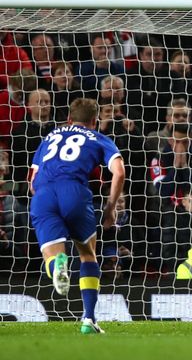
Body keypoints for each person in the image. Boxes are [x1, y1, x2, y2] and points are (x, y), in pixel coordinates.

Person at [28, 98, 126, 334]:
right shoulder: (99, 138)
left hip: (44, 194)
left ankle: (57, 265)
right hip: (75, 193)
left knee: (52, 255)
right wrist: (110, 208)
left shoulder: (50, 137)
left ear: (69, 119)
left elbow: (31, 183)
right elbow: (119, 172)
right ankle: (88, 319)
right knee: (87, 254)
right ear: (95, 121)